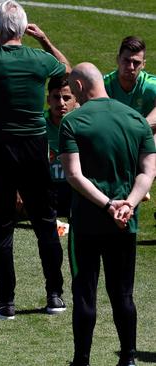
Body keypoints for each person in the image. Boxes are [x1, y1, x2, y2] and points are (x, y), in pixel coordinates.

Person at [0, 0, 69, 319]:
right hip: (35, 147)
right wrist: (45, 40)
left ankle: (6, 302)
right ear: (22, 28)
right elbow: (69, 70)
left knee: (1, 226)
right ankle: (55, 296)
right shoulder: (40, 59)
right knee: (45, 223)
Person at [61, 62, 156, 366]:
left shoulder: (72, 122)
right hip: (125, 224)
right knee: (123, 294)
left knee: (85, 295)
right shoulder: (137, 120)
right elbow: (148, 172)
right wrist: (127, 203)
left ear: (77, 88)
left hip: (87, 223)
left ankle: (82, 361)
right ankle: (128, 359)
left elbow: (74, 176)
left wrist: (106, 204)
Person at [104, 36, 156, 134]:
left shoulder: (151, 85)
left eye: (136, 63)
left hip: (144, 137)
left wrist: (135, 128)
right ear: (118, 59)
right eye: (126, 60)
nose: (130, 67)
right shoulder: (103, 84)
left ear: (143, 65)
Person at [45, 76, 77, 218]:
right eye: (56, 97)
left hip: (74, 187)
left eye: (66, 97)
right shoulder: (37, 125)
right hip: (46, 187)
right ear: (48, 100)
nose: (61, 103)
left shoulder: (83, 125)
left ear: (75, 100)